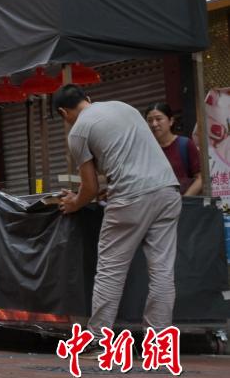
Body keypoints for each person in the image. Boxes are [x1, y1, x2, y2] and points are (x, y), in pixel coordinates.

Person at [53, 85, 181, 343]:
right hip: (168, 191)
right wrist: (112, 186)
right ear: (87, 99)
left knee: (111, 269)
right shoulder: (124, 107)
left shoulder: (77, 132)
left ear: (62, 112)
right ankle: (158, 341)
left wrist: (74, 204)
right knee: (162, 271)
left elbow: (89, 188)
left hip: (130, 199)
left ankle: (98, 338)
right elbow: (135, 155)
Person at [145, 102, 202, 196]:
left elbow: (200, 178)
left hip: (185, 206)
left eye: (158, 119)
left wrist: (184, 200)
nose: (154, 124)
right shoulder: (147, 150)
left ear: (171, 121)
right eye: (150, 120)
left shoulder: (185, 144)